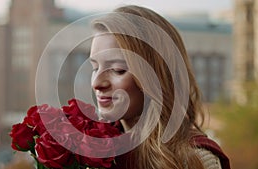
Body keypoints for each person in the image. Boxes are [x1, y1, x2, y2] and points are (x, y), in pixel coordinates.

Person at [89, 5, 230, 169]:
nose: (96, 83)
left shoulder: (196, 160)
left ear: (156, 76)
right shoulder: (90, 152)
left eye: (117, 70)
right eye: (94, 68)